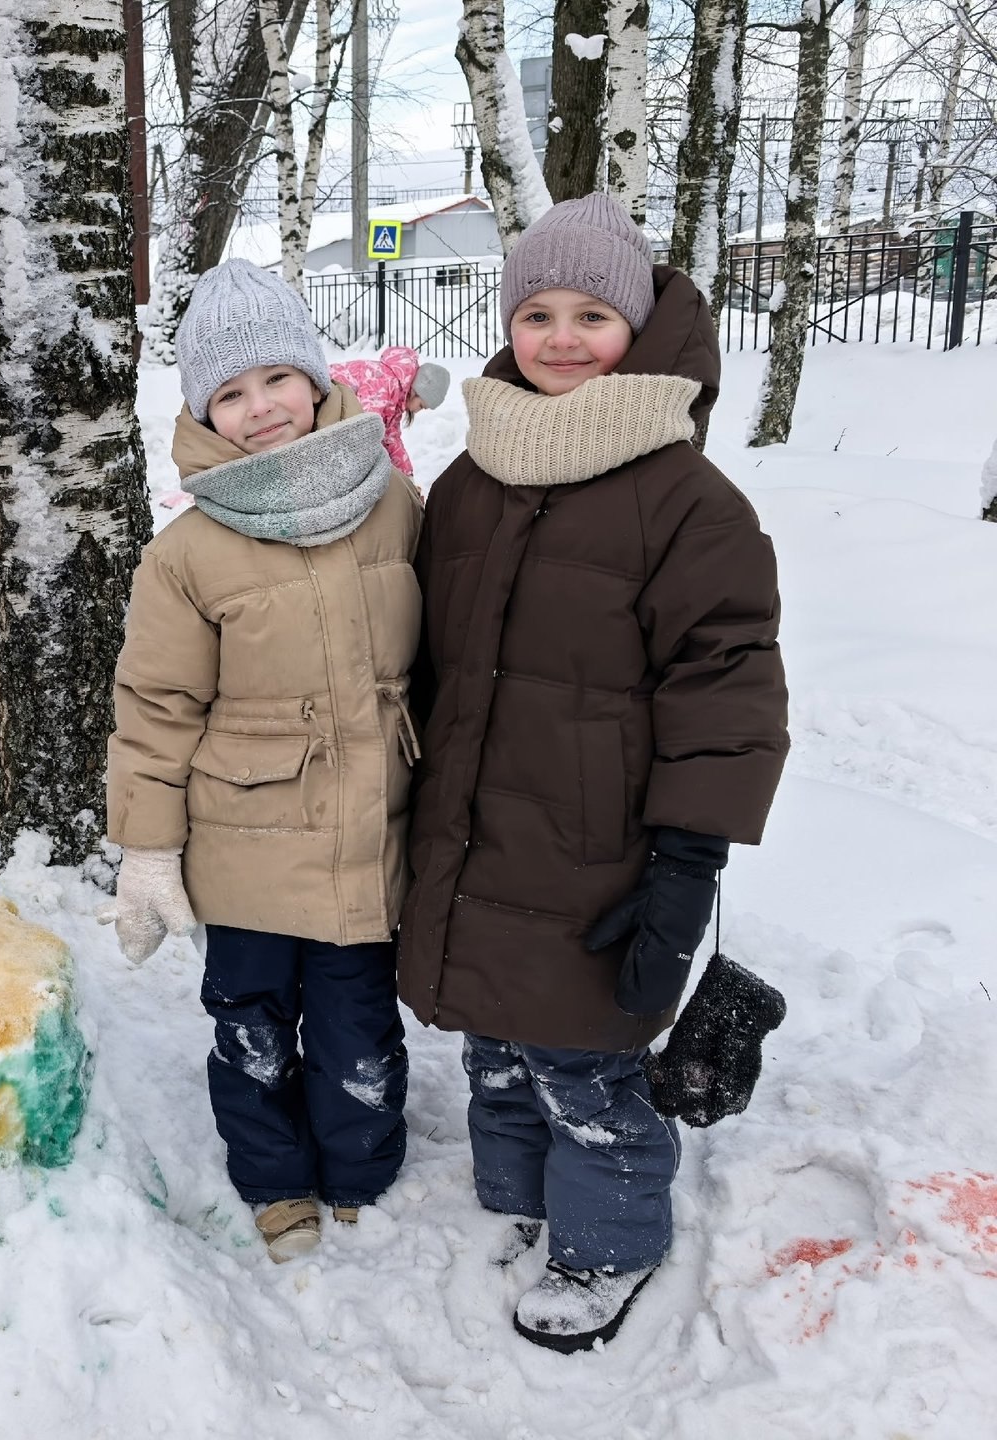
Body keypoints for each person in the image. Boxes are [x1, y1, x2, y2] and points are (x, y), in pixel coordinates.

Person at [399, 194, 789, 1352]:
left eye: (592, 314)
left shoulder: (690, 505)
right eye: (535, 314)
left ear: (642, 327)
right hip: (474, 839)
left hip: (600, 853)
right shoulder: (470, 484)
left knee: (586, 1062)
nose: (561, 339)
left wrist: (688, 863)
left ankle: (607, 1243)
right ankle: (516, 1197)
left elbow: (726, 691)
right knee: (496, 1044)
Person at [100, 258, 424, 1264]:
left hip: (364, 837)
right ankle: (276, 1183)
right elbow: (155, 711)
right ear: (203, 411)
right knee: (250, 1029)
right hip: (239, 853)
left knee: (358, 1026)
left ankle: (361, 1170)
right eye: (229, 394)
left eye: (275, 379)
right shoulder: (187, 555)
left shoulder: (397, 507)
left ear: (317, 377)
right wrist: (147, 853)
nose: (260, 408)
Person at [328, 346, 450, 479]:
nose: (417, 411)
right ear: (416, 391)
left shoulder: (396, 398)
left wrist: (408, 477)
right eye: (421, 405)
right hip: (322, 396)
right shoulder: (384, 382)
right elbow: (366, 429)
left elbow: (391, 439)